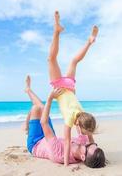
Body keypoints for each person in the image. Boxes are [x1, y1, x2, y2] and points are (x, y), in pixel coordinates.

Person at [48, 11, 98, 165]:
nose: (86, 136)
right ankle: (56, 31)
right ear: (78, 125)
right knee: (51, 59)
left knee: (74, 61)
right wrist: (65, 164)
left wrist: (93, 142)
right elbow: (68, 141)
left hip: (69, 87)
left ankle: (89, 42)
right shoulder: (71, 119)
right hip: (60, 89)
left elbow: (88, 128)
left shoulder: (83, 113)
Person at [25, 76, 106, 168]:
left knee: (37, 108)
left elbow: (44, 123)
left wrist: (50, 98)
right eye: (93, 144)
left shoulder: (60, 154)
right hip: (49, 137)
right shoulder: (83, 143)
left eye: (88, 146)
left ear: (83, 157)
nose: (88, 143)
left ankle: (28, 92)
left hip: (36, 142)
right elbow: (81, 121)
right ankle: (28, 90)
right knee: (42, 108)